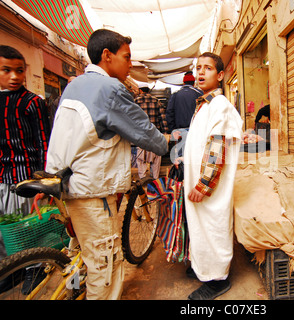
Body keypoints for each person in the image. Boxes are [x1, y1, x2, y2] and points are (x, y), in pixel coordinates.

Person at [45, 29, 168, 300]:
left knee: (85, 254)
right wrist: (168, 141)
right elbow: (148, 136)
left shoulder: (74, 85)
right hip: (92, 191)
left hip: (65, 180)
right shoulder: (110, 89)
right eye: (126, 57)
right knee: (106, 268)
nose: (129, 65)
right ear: (107, 56)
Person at [182, 52, 242, 300]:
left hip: (210, 187)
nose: (201, 72)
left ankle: (218, 280)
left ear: (219, 75)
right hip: (199, 181)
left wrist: (203, 185)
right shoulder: (205, 104)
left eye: (207, 68)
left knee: (214, 228)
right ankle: (203, 268)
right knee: (201, 228)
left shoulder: (219, 105)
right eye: (199, 68)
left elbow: (217, 148)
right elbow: (200, 143)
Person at [0, 45, 51, 259]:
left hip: (26, 181)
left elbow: (44, 142)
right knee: (4, 233)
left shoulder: (33, 102)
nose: (14, 76)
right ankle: (9, 272)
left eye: (20, 70)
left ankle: (32, 270)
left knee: (27, 231)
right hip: (1, 181)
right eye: (6, 70)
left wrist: (43, 182)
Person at [166, 71, 203, 160]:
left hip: (180, 132)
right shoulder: (199, 93)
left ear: (183, 83)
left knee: (181, 159)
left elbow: (169, 112)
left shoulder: (175, 94)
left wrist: (173, 129)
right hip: (196, 131)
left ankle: (183, 174)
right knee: (196, 158)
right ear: (194, 83)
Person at [134, 83, 168, 178]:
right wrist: (165, 133)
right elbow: (163, 118)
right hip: (155, 134)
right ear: (148, 90)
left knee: (141, 159)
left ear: (140, 90)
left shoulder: (135, 101)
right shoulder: (156, 100)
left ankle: (143, 178)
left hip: (140, 135)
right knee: (156, 158)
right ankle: (155, 178)